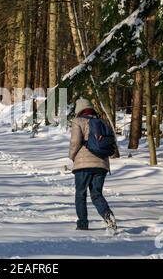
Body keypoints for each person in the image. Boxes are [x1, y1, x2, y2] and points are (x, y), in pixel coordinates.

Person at [69, 98, 117, 231]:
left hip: (83, 165)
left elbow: (75, 142)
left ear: (79, 109)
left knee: (80, 194)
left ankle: (82, 224)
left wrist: (72, 156)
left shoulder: (78, 121)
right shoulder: (102, 122)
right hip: (101, 164)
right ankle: (108, 215)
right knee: (96, 194)